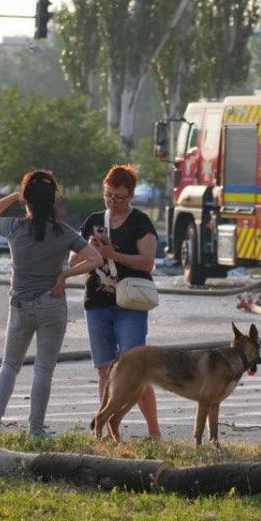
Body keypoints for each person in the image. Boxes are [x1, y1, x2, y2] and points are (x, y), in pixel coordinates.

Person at [0, 170, 102, 437]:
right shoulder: (64, 233)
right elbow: (96, 259)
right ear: (53, 201)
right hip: (52, 304)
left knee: (10, 364)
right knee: (44, 370)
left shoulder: (14, 228)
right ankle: (35, 429)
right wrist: (65, 274)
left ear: (27, 200)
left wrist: (15, 195)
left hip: (20, 304)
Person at [79, 164, 162, 440]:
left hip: (131, 303)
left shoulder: (140, 222)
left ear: (131, 196)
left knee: (136, 368)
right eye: (108, 196)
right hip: (97, 302)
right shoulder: (94, 220)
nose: (113, 202)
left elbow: (147, 262)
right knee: (104, 368)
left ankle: (154, 432)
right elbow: (73, 260)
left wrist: (113, 254)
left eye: (119, 197)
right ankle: (102, 433)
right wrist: (92, 249)